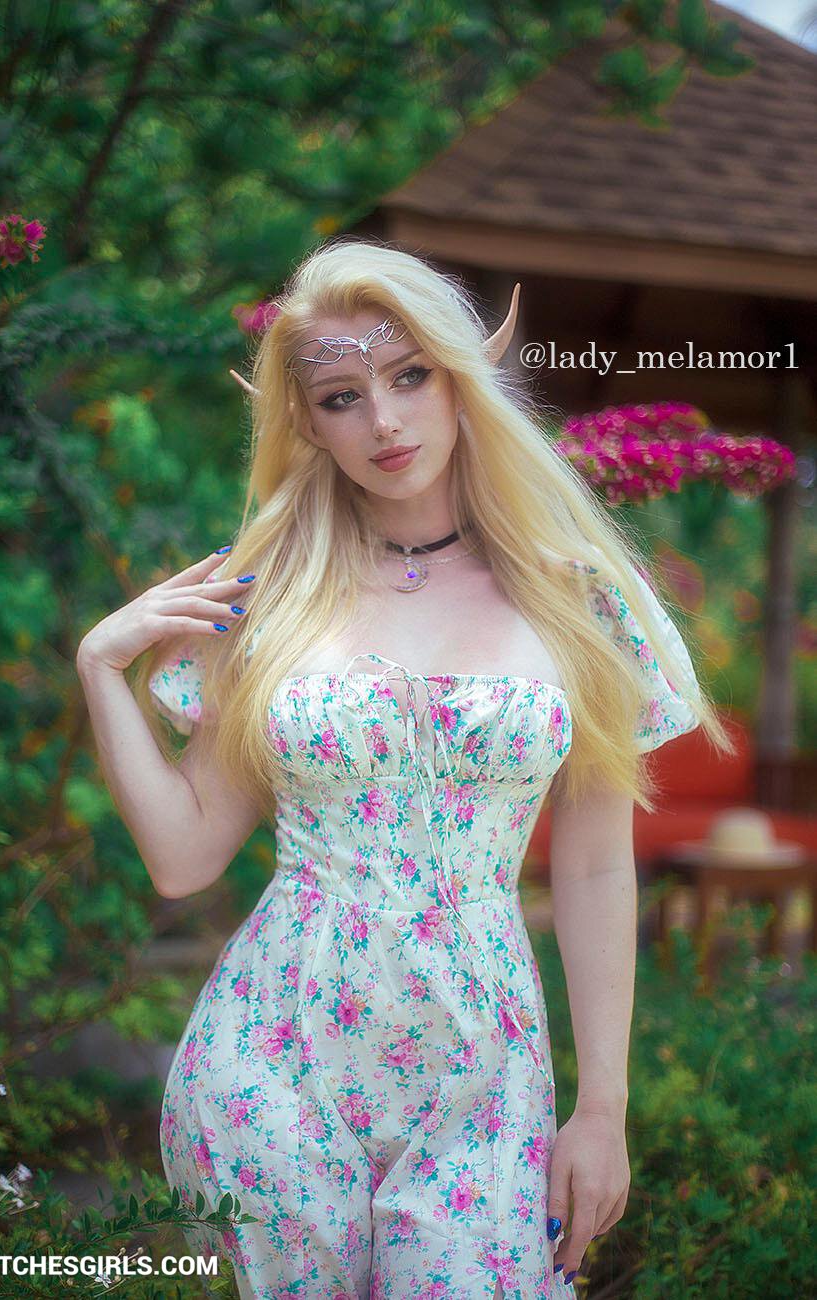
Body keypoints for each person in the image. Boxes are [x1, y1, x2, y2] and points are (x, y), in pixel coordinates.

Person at [76, 239, 729, 1299]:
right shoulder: (266, 596)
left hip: (484, 1074)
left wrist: (602, 1108)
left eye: (410, 375)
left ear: (461, 379)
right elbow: (183, 857)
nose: (382, 420)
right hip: (270, 1060)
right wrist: (101, 668)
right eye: (342, 396)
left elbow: (596, 864)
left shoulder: (582, 599)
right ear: (307, 421)